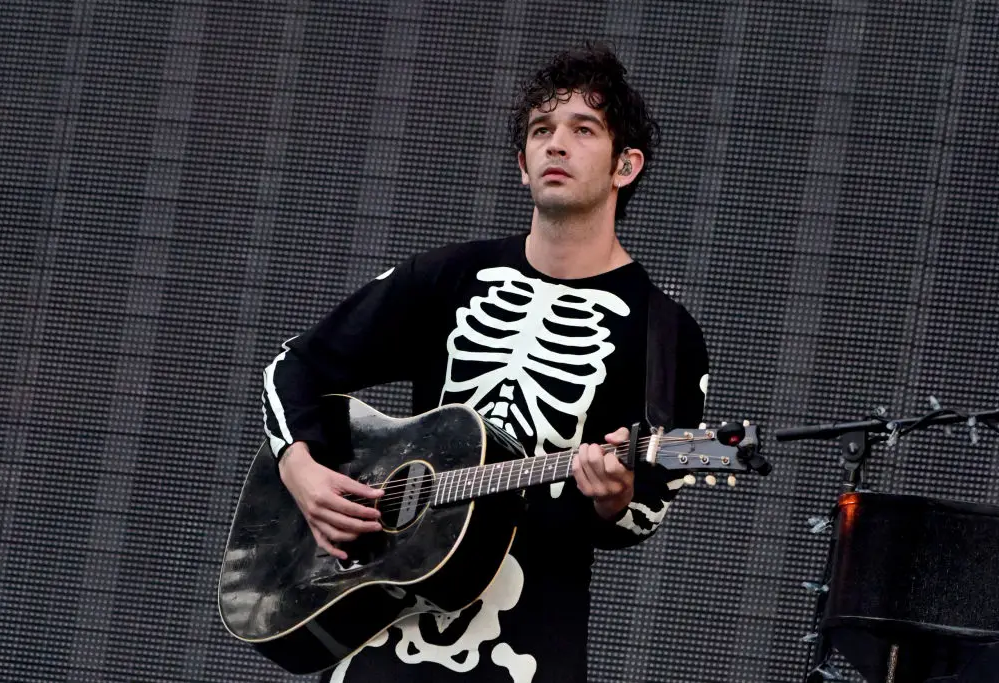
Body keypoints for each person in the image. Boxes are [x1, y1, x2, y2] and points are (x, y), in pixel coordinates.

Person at [262, 43, 710, 683]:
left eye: (583, 130)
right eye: (541, 131)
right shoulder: (446, 277)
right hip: (380, 622)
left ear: (625, 165)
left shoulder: (667, 335)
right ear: (522, 166)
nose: (556, 145)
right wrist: (302, 470)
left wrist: (616, 499)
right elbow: (294, 366)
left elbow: (649, 508)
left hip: (528, 646)